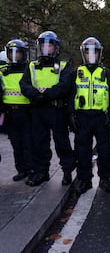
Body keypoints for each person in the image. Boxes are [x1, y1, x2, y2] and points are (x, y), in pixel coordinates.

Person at [20, 30, 75, 186]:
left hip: (56, 110)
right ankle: (42, 172)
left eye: (49, 46)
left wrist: (47, 95)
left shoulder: (63, 65)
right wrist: (37, 95)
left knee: (62, 142)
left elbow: (65, 86)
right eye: (43, 45)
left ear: (55, 47)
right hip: (38, 110)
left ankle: (67, 171)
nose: (46, 48)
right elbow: (24, 85)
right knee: (39, 143)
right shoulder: (32, 66)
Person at [68, 37, 110, 195]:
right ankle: (84, 180)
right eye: (88, 52)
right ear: (83, 54)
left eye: (94, 52)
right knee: (82, 150)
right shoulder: (76, 72)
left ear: (99, 54)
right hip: (82, 117)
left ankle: (105, 179)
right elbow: (70, 94)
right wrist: (71, 114)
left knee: (104, 151)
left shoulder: (105, 73)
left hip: (100, 118)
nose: (91, 55)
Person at [0, 39, 33, 181]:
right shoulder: (3, 71)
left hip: (26, 112)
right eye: (11, 53)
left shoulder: (29, 69)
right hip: (9, 113)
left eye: (17, 53)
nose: (14, 56)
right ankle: (21, 170)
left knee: (28, 143)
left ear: (23, 54)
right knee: (16, 144)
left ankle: (31, 169)